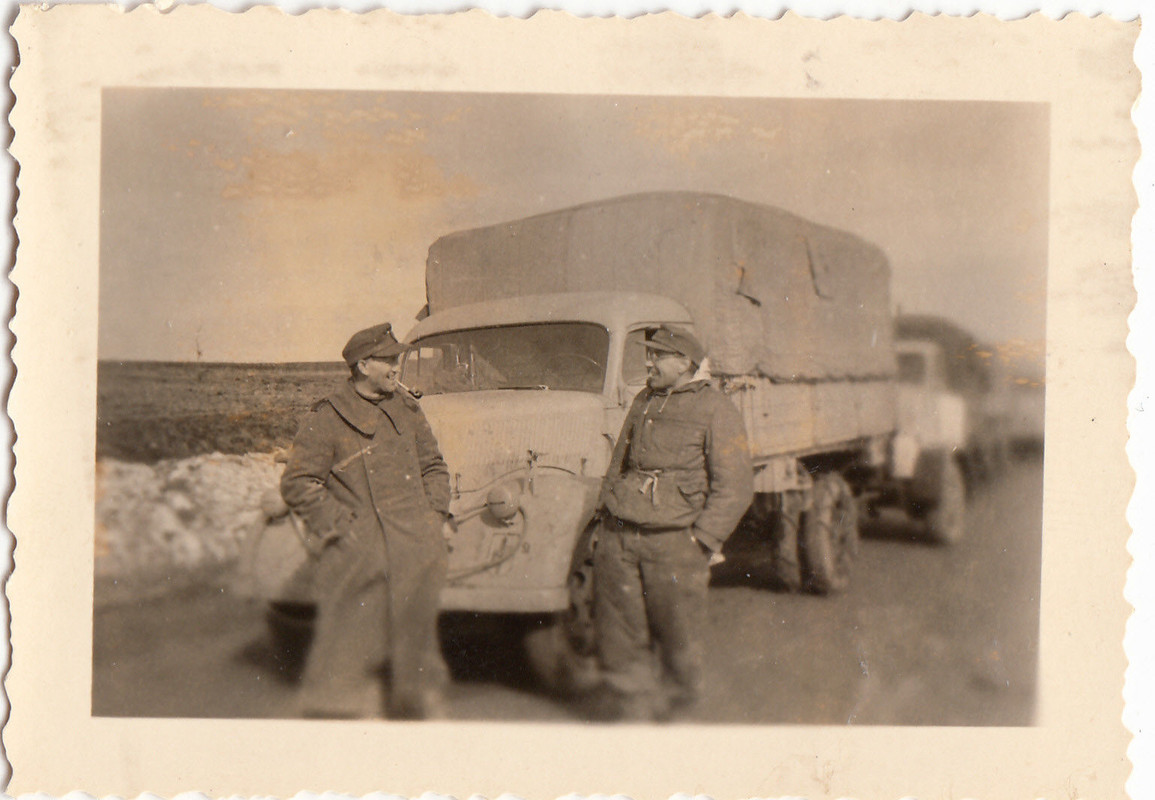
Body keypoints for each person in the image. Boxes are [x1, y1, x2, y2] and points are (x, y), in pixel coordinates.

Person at [280, 322, 451, 719]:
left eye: (397, 359)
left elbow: (434, 467)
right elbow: (299, 483)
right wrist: (346, 527)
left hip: (415, 550)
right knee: (344, 681)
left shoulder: (407, 407)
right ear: (361, 366)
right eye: (388, 360)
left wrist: (434, 515)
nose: (397, 367)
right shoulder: (327, 417)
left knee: (415, 678)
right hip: (361, 561)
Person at [591, 324, 754, 721]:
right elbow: (618, 465)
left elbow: (735, 485)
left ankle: (679, 715)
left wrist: (703, 541)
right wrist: (605, 517)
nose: (649, 362)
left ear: (684, 363)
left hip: (674, 543)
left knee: (678, 635)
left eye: (657, 355)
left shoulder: (715, 408)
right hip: (622, 537)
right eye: (649, 354)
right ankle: (630, 714)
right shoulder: (643, 400)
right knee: (619, 633)